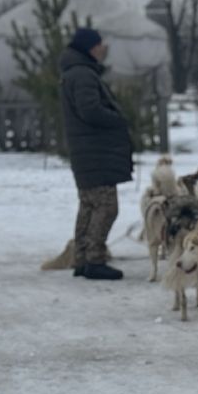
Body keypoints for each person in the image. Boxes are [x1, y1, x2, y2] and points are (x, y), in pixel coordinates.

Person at [60, 26, 133, 280]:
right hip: (95, 152)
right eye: (99, 44)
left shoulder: (74, 72)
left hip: (86, 152)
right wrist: (118, 118)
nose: (103, 48)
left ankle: (81, 259)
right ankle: (95, 259)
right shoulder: (83, 75)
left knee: (89, 206)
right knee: (106, 206)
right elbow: (90, 110)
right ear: (90, 47)